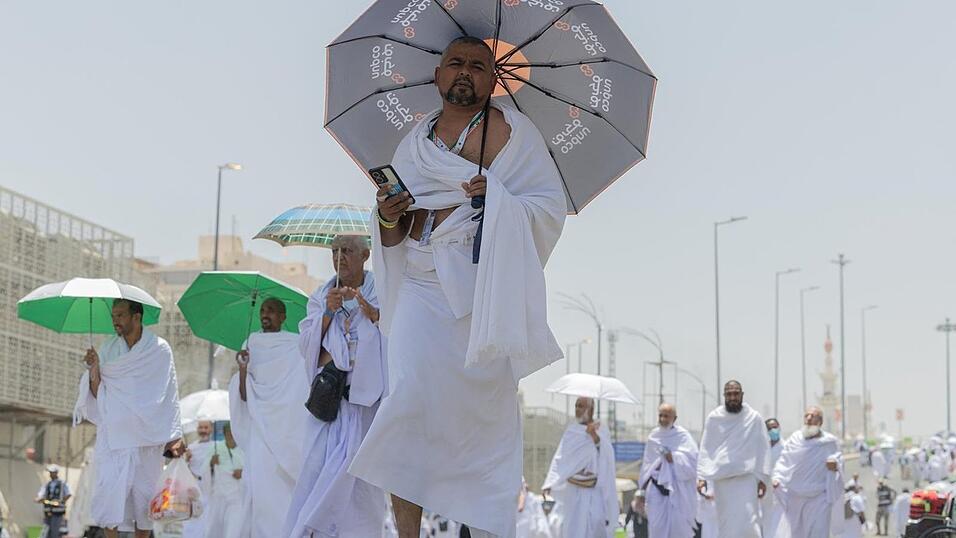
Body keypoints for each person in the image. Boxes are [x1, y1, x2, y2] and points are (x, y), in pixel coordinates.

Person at [349, 35, 566, 538]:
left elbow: (547, 211)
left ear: (494, 80)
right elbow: (394, 233)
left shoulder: (516, 134)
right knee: (405, 407)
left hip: (479, 291)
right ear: (438, 75)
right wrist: (387, 214)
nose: (465, 71)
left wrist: (499, 199)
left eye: (477, 65)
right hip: (420, 285)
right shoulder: (413, 143)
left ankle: (479, 528)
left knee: (479, 425)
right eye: (455, 63)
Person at [284, 235, 387, 538]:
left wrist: (373, 314)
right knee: (316, 478)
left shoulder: (382, 292)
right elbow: (308, 348)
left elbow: (398, 334)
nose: (339, 257)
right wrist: (328, 314)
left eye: (347, 251)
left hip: (367, 406)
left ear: (365, 255)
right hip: (330, 408)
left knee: (363, 488)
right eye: (335, 251)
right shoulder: (321, 296)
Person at [73, 298, 185, 538]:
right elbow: (99, 394)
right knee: (109, 497)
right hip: (115, 438)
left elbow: (169, 393)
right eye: (113, 315)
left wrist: (174, 435)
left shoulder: (159, 349)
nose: (115, 320)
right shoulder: (108, 349)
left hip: (147, 438)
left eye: (120, 315)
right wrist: (94, 369)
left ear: (137, 317)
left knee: (145, 503)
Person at [228, 297, 309, 538]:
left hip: (286, 430)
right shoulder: (250, 344)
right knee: (260, 492)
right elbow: (245, 396)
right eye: (263, 310)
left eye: (272, 311)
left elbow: (301, 385)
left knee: (285, 495)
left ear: (283, 317)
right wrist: (243, 368)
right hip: (260, 433)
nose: (265, 314)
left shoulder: (295, 345)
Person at [696, 380, 771, 538]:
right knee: (727, 524)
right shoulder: (714, 418)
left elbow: (763, 448)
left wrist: (762, 478)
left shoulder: (754, 418)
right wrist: (702, 477)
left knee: (749, 522)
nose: (732, 398)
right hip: (722, 480)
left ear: (742, 395)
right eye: (729, 394)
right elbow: (706, 448)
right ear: (724, 396)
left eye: (736, 394)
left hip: (746, 480)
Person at [541, 397, 618, 538]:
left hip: (594, 492)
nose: (577, 409)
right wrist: (550, 482)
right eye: (576, 406)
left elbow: (606, 457)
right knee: (572, 529)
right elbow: (560, 459)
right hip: (573, 492)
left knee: (595, 526)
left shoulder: (601, 430)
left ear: (591, 410)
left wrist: (594, 436)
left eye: (581, 406)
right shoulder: (572, 431)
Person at [770, 406, 843, 537]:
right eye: (806, 416)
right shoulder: (794, 439)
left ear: (820, 421)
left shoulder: (829, 442)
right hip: (795, 498)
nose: (809, 419)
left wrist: (835, 464)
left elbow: (839, 460)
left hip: (819, 499)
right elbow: (784, 461)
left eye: (813, 416)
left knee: (819, 533)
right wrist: (777, 478)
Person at [640, 403, 697, 538]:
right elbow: (647, 466)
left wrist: (674, 458)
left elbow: (693, 462)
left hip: (678, 491)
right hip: (656, 490)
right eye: (661, 415)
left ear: (674, 418)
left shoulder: (683, 436)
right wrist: (641, 492)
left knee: (678, 531)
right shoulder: (653, 436)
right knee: (656, 529)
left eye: (666, 416)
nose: (663, 419)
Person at [205, 423, 244, 538]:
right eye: (229, 433)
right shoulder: (215, 448)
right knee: (215, 529)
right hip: (219, 497)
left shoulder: (244, 448)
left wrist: (243, 473)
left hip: (237, 498)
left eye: (233, 433)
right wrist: (211, 463)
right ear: (224, 434)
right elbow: (203, 472)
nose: (231, 436)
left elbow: (254, 470)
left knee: (233, 530)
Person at [182, 420, 215, 538]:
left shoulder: (216, 447)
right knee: (193, 518)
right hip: (194, 486)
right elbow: (183, 469)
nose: (203, 430)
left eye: (206, 427)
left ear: (211, 429)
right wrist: (186, 459)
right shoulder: (191, 447)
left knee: (209, 519)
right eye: (201, 428)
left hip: (211, 487)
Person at [761, 417, 784, 537]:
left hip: (781, 491)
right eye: (769, 429)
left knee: (781, 524)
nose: (773, 430)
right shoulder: (763, 448)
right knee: (767, 523)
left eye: (775, 427)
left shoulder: (786, 448)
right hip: (765, 491)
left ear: (779, 427)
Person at [35, 465, 71, 537]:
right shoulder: (47, 484)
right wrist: (39, 498)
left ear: (56, 473)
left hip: (58, 513)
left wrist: (61, 501)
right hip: (48, 512)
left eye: (52, 472)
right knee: (46, 532)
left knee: (54, 533)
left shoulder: (62, 483)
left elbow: (68, 493)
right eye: (50, 472)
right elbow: (41, 494)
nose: (50, 474)